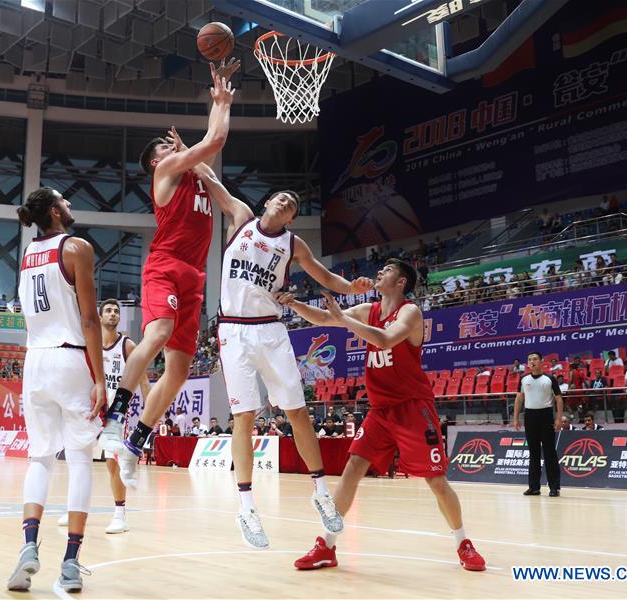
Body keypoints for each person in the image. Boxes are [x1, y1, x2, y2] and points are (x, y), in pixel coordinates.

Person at [197, 169, 371, 549]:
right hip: (233, 331)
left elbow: (325, 276)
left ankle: (321, 491)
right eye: (280, 197)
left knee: (297, 411)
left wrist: (351, 287)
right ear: (266, 203)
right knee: (243, 416)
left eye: (292, 204)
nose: (285, 202)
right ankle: (246, 505)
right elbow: (210, 180)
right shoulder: (241, 218)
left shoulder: (293, 245)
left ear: (292, 218)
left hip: (272, 331)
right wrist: (187, 155)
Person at [278, 258, 485, 572]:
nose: (379, 272)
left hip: (413, 408)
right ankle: (327, 545)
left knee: (436, 481)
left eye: (387, 270)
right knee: (352, 468)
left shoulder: (410, 312)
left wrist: (346, 322)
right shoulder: (368, 311)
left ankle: (463, 542)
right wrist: (293, 303)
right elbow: (323, 318)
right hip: (380, 411)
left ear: (401, 282)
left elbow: (385, 339)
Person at [99, 60, 241, 487]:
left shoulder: (198, 176)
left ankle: (135, 441)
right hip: (164, 266)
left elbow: (213, 160)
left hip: (195, 277)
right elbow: (215, 139)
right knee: (157, 333)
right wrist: (219, 104)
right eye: (164, 146)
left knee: (178, 372)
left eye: (170, 144)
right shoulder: (164, 174)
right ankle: (115, 416)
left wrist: (215, 111)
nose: (169, 147)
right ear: (155, 161)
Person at [6, 188, 106, 593]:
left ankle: (28, 546)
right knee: (80, 460)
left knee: (40, 458)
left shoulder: (28, 255)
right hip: (69, 358)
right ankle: (70, 561)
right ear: (54, 211)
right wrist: (100, 377)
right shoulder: (77, 247)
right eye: (66, 201)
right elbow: (90, 320)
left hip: (36, 361)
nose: (71, 206)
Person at [58, 298, 151, 534]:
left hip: (116, 412)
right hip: (90, 407)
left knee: (113, 463)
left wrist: (150, 410)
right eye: (108, 310)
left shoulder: (127, 346)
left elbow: (142, 379)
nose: (113, 314)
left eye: (116, 311)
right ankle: (74, 508)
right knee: (78, 458)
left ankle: (120, 515)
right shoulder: (90, 342)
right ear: (100, 317)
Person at [512, 351, 563, 497]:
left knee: (549, 453)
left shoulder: (549, 379)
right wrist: (515, 418)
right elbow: (519, 398)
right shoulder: (523, 379)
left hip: (546, 416)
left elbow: (559, 399)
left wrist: (559, 418)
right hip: (530, 417)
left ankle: (554, 487)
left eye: (535, 359)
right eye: (529, 359)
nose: (532, 361)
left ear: (541, 361)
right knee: (533, 453)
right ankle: (534, 487)